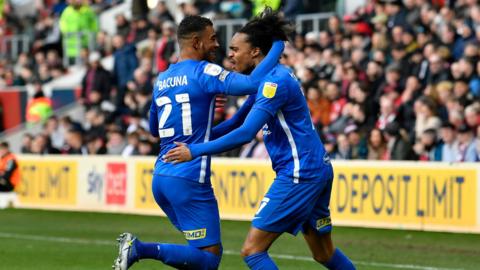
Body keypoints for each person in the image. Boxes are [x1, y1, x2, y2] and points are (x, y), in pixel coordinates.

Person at [164, 9, 355, 270]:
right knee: (323, 253)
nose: (229, 54)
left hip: (300, 173)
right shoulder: (273, 76)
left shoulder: (273, 84)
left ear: (255, 52)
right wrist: (194, 137)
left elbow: (244, 134)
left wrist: (194, 151)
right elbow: (236, 122)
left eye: (235, 49)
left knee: (253, 251)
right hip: (316, 169)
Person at [113, 13, 285, 270]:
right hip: (189, 178)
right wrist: (280, 43)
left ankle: (139, 249)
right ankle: (139, 249)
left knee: (198, 256)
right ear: (196, 42)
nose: (217, 44)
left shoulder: (163, 78)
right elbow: (253, 82)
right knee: (209, 258)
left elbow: (153, 129)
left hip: (162, 177)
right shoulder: (204, 70)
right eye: (212, 38)